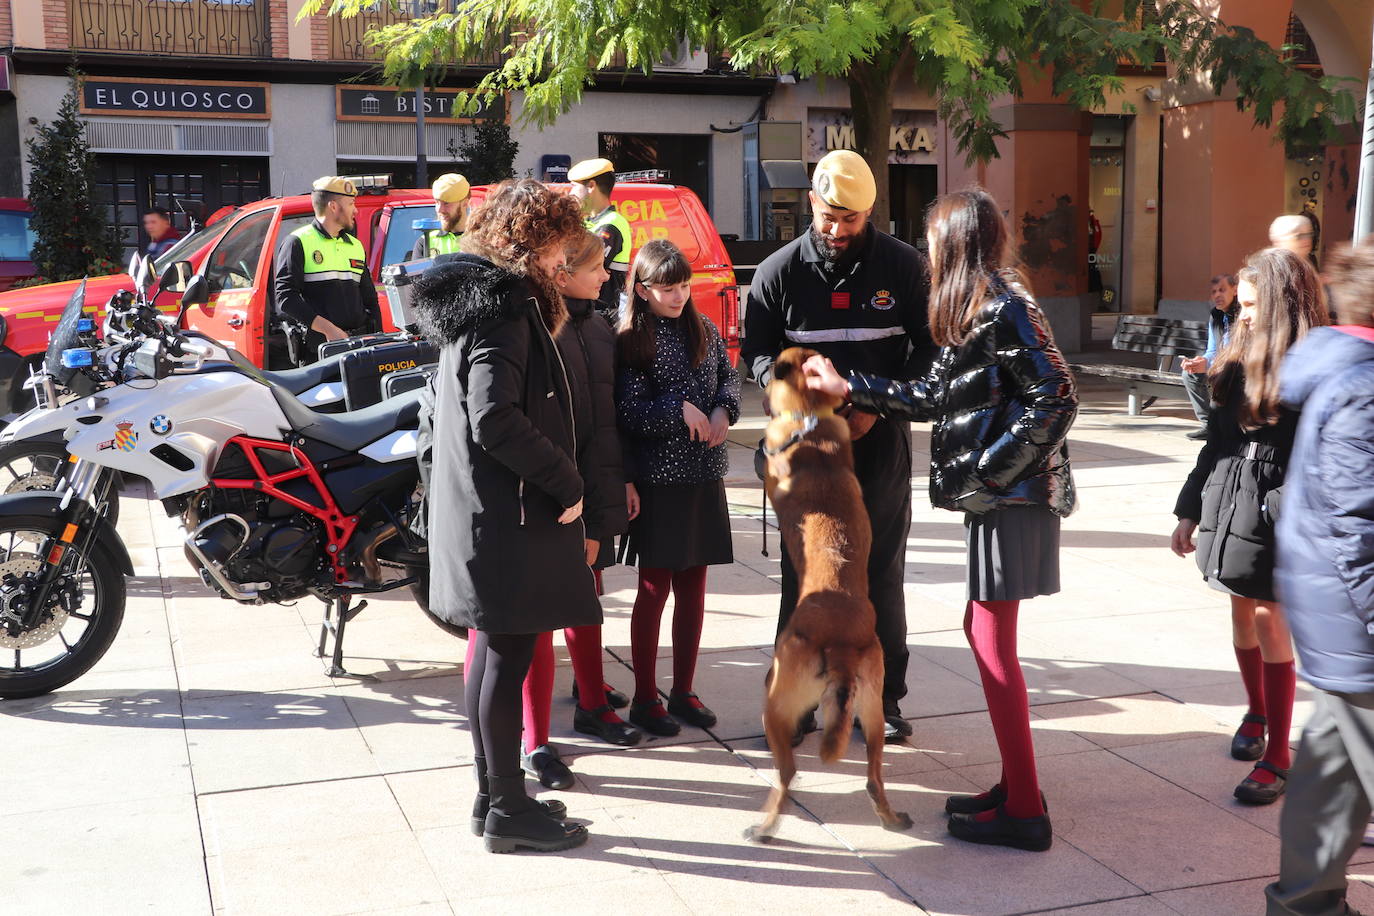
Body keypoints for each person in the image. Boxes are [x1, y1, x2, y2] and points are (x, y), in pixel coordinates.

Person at [804, 188, 1077, 853]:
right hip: (1001, 496)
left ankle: (1024, 810)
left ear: (952, 241)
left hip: (1010, 497)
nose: (924, 249)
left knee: (989, 640)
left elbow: (1057, 395)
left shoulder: (1004, 305)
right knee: (982, 633)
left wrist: (989, 471)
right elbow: (931, 395)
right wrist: (849, 386)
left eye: (930, 237)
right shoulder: (976, 306)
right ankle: (1017, 789)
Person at [410, 178, 593, 854]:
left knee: (494, 655)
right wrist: (565, 479)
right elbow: (494, 417)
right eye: (554, 248)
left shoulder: (481, 301)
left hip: (486, 510)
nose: (559, 262)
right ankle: (508, 809)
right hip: (506, 516)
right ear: (529, 243)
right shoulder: (504, 308)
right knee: (506, 656)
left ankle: (496, 797)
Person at [741, 148, 932, 742]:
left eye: (849, 220)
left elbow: (930, 358)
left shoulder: (906, 270)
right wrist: (802, 406)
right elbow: (756, 358)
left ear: (870, 212)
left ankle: (884, 699)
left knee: (878, 572)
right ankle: (795, 697)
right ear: (812, 205)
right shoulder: (777, 274)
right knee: (806, 576)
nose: (835, 229)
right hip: (808, 452)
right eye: (826, 216)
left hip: (878, 446)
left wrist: (873, 407)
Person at [1170, 247, 1328, 806]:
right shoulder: (1237, 353)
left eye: (1254, 304)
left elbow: (1323, 456)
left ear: (1284, 304)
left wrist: (1282, 510)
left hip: (1279, 513)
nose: (1243, 313)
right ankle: (1257, 711)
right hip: (1230, 500)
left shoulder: (1314, 365)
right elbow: (1216, 442)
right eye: (1242, 303)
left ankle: (1278, 754)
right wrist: (1189, 508)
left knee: (1270, 619)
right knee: (1241, 611)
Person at [1265, 243, 1374, 915]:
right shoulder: (1365, 385)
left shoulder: (1349, 373)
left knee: (1331, 769)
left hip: (1333, 611)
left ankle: (1305, 904)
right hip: (1354, 613)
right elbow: (1355, 525)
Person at [515, 230, 641, 791]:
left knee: (587, 601)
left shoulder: (597, 327)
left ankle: (590, 701)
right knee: (542, 619)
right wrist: (576, 501)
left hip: (589, 490)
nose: (609, 275)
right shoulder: (543, 330)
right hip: (554, 500)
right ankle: (533, 739)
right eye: (598, 266)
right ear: (561, 273)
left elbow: (605, 422)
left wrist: (612, 494)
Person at [615, 238, 740, 737]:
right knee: (654, 588)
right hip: (659, 480)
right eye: (667, 288)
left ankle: (683, 690)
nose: (678, 296)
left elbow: (729, 377)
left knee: (694, 588)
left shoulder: (704, 326)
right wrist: (676, 410)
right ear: (642, 289)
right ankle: (646, 697)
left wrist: (723, 410)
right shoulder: (630, 338)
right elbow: (625, 413)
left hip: (705, 473)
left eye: (684, 286)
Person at [273, 176, 381, 360]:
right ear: (333, 206)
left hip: (358, 347)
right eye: (350, 203)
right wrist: (330, 330)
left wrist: (378, 339)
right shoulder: (297, 242)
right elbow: (285, 297)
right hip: (320, 351)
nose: (355, 210)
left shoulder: (355, 246)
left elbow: (370, 299)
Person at [568, 157, 631, 323]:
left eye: (574, 186)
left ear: (591, 186)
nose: (570, 193)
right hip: (589, 313)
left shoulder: (612, 223)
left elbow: (581, 265)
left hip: (602, 316)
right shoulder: (589, 222)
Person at [1180, 273, 1238, 439]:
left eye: (1222, 290)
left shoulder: (1243, 313)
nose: (1217, 295)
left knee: (1221, 374)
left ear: (1234, 290)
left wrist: (1210, 363)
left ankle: (1219, 425)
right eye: (1214, 292)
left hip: (1236, 366)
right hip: (1219, 363)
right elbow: (1212, 349)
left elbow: (1237, 351)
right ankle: (1208, 424)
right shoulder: (1216, 314)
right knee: (1189, 374)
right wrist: (1202, 361)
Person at [411, 173, 470, 259]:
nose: (439, 209)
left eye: (446, 203)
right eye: (437, 202)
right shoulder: (425, 241)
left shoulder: (481, 240)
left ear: (465, 203)